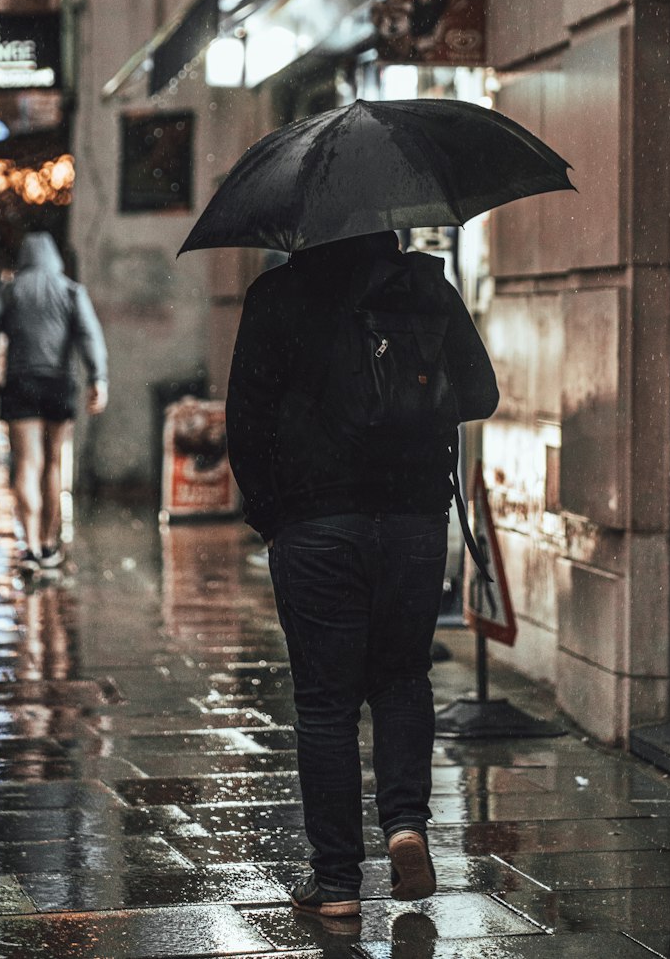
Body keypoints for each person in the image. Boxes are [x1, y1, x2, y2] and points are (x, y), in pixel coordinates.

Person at [226, 231, 498, 919]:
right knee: (403, 678)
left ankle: (339, 884)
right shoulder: (423, 287)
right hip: (411, 522)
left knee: (325, 704)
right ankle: (406, 825)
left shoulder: (277, 296)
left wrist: (272, 515)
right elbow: (481, 393)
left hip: (315, 525)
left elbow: (245, 421)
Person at [0, 232, 108, 573]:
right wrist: (98, 379)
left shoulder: (10, 290)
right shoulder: (70, 290)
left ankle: (30, 546)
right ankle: (48, 545)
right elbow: (90, 334)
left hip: (20, 385)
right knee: (53, 464)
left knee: (27, 464)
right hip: (58, 386)